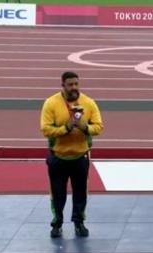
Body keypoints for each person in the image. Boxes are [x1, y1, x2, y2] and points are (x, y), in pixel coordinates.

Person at [40, 71, 103, 238]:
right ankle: (57, 223)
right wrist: (66, 128)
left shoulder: (88, 103)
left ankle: (79, 222)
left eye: (76, 84)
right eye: (70, 84)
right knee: (57, 194)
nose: (74, 87)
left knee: (80, 193)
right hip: (58, 157)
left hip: (80, 157)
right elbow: (46, 129)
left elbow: (98, 126)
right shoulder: (51, 103)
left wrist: (85, 127)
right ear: (62, 85)